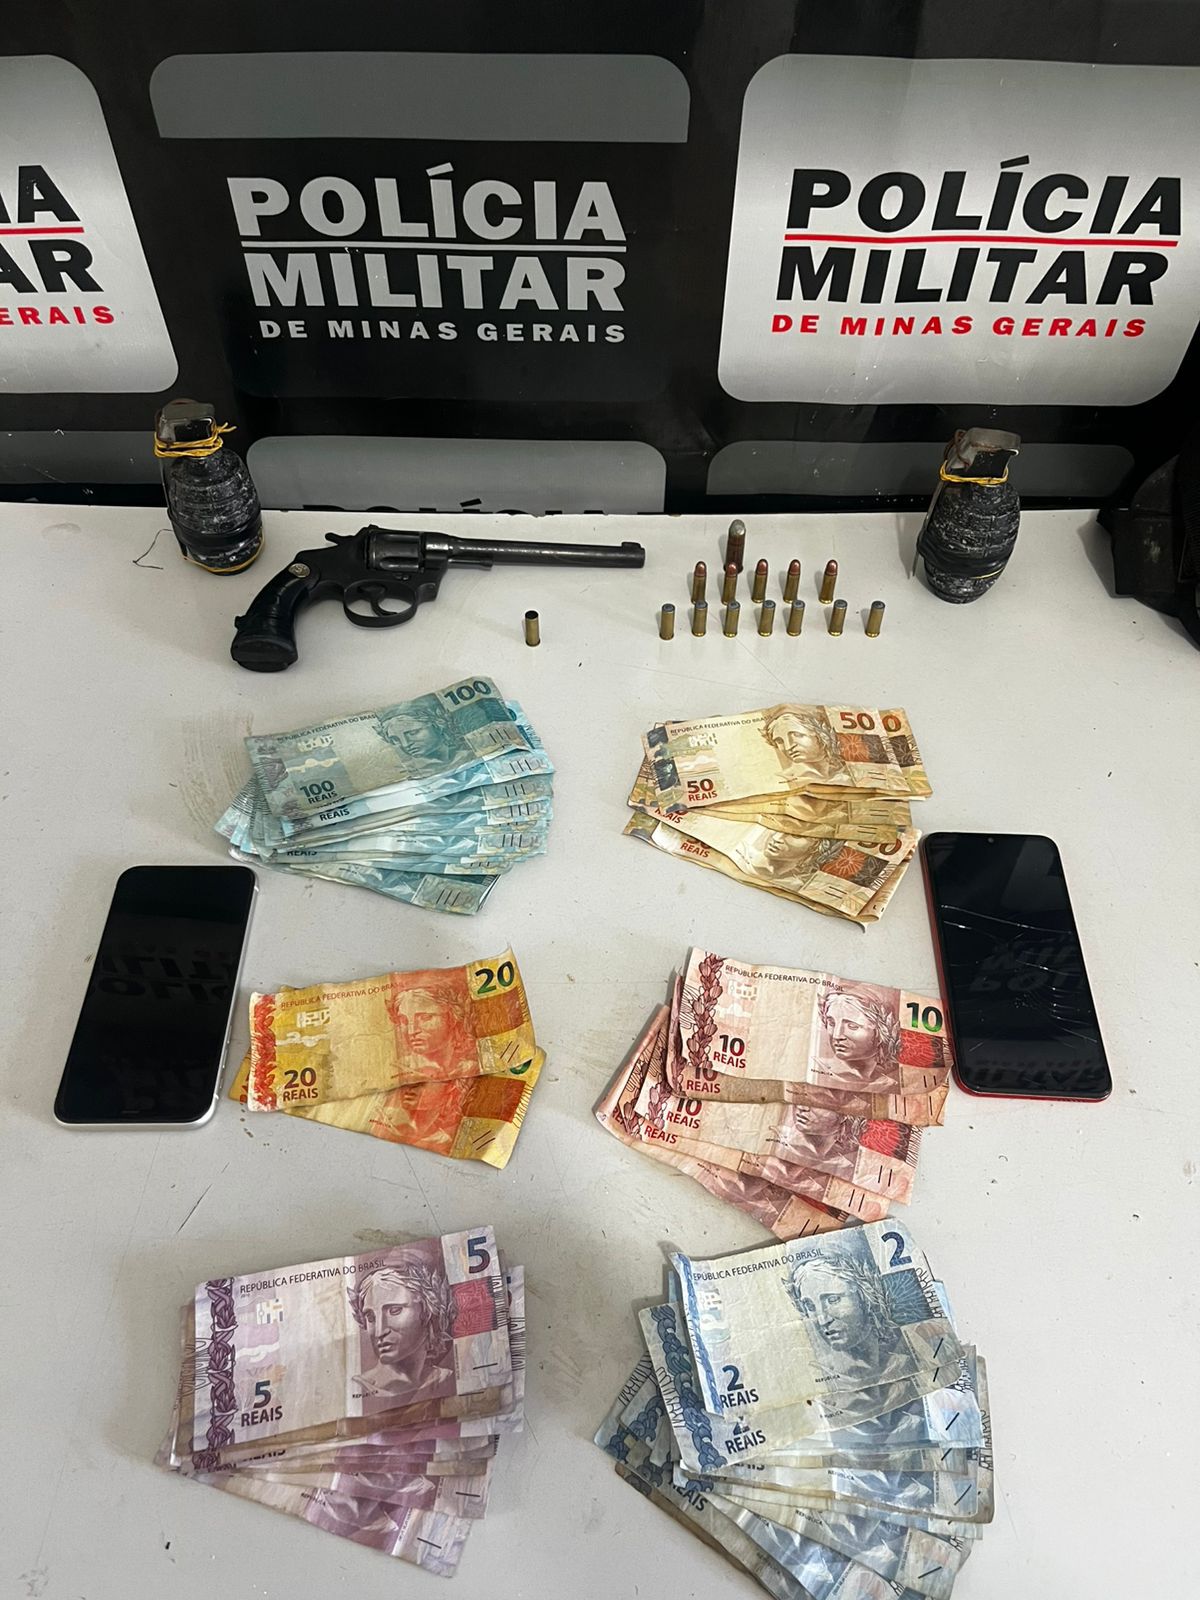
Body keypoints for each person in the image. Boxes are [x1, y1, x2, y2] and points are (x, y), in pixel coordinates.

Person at [783, 1249, 911, 1386]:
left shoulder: (906, 1362)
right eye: (810, 1306)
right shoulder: (816, 1378)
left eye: (833, 1300)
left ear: (864, 1297)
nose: (822, 1320)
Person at [348, 1261, 456, 1401]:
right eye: (370, 1317)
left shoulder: (447, 1377)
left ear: (427, 1312)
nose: (379, 1332)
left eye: (395, 1310)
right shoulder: (358, 1388)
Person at [386, 981, 478, 1080]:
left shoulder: (471, 1068)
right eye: (403, 1021)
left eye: (425, 1017)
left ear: (451, 1018)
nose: (411, 1031)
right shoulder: (395, 1071)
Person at [817, 984, 902, 1087]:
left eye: (852, 1026)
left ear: (881, 1033)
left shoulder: (888, 1084)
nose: (836, 1035)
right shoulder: (817, 1069)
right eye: (832, 1023)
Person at [760, 707, 847, 787]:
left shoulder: (841, 772)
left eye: (797, 734)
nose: (788, 747)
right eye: (779, 741)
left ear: (820, 734)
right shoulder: (782, 779)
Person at [378, 704, 457, 770]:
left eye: (413, 733)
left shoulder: (460, 756)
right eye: (395, 739)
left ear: (437, 725)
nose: (405, 744)